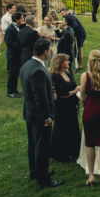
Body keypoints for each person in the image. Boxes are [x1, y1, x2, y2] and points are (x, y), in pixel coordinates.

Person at [20, 37, 63, 189]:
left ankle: (36, 171)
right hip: (39, 115)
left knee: (33, 144)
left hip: (30, 112)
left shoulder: (26, 65)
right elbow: (40, 98)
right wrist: (47, 117)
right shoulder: (38, 69)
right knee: (42, 146)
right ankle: (43, 180)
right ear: (45, 52)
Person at [80, 50, 100, 185]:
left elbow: (82, 96)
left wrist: (87, 103)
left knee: (90, 143)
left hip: (90, 110)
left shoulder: (85, 75)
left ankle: (92, 175)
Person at [48, 49, 80, 162]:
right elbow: (61, 94)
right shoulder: (54, 76)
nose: (68, 63)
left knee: (73, 127)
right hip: (61, 107)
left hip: (71, 105)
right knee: (62, 128)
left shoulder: (68, 73)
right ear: (60, 63)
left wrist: (75, 90)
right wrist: (74, 91)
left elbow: (74, 85)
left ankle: (74, 151)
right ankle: (61, 153)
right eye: (66, 61)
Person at [5, 12, 25, 97]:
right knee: (12, 74)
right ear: (17, 20)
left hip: (17, 55)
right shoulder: (10, 29)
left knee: (16, 73)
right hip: (13, 55)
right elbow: (9, 43)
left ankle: (15, 90)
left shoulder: (18, 27)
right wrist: (19, 48)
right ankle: (10, 91)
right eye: (21, 18)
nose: (22, 20)